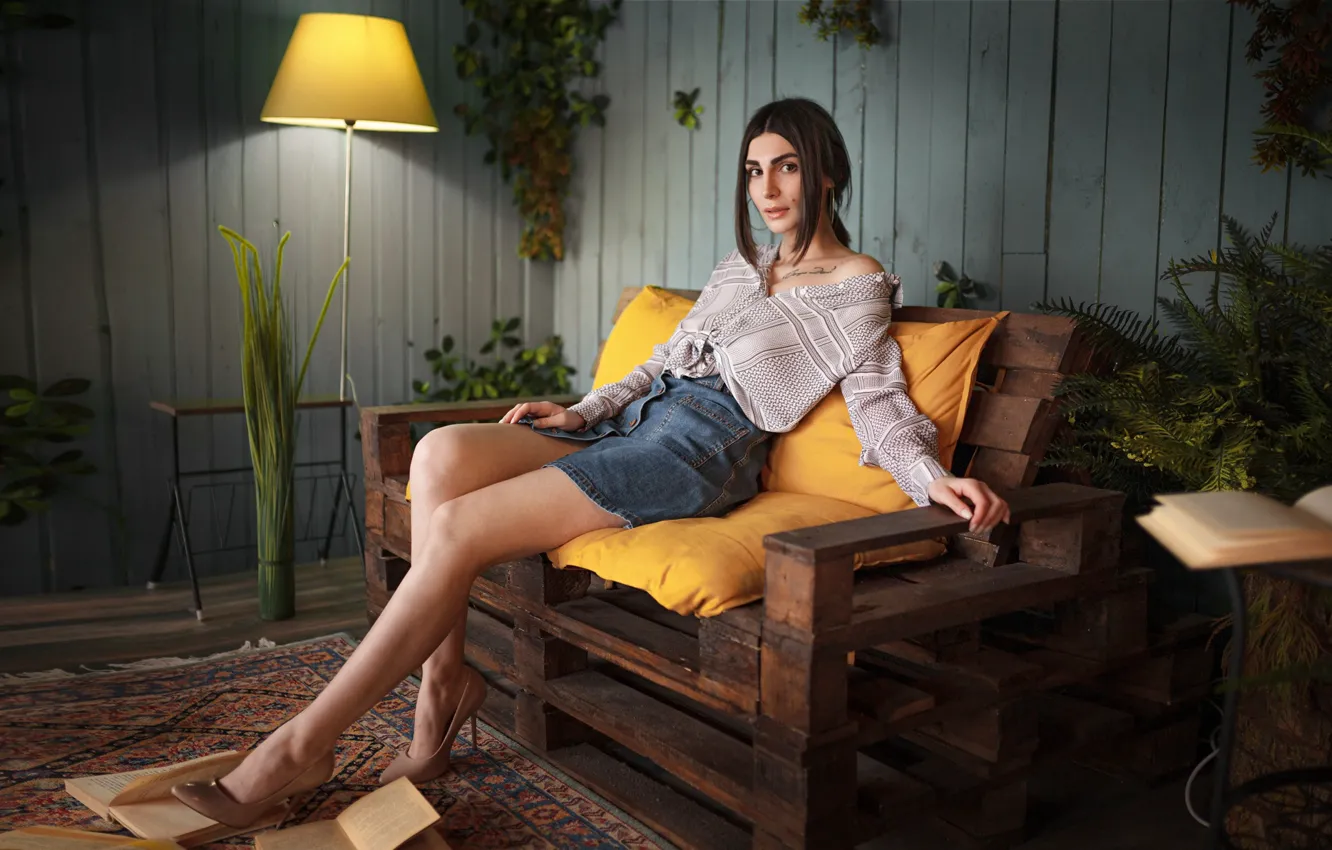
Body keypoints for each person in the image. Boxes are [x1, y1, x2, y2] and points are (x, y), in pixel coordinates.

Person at [170, 97, 1011, 827]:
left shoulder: (856, 283)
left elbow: (878, 399)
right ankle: (445, 691)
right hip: (638, 421)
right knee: (438, 453)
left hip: (698, 448)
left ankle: (299, 748)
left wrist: (932, 479)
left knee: (459, 525)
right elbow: (659, 363)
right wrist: (582, 410)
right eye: (754, 171)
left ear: (825, 172)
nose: (768, 190)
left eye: (787, 167)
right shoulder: (742, 267)